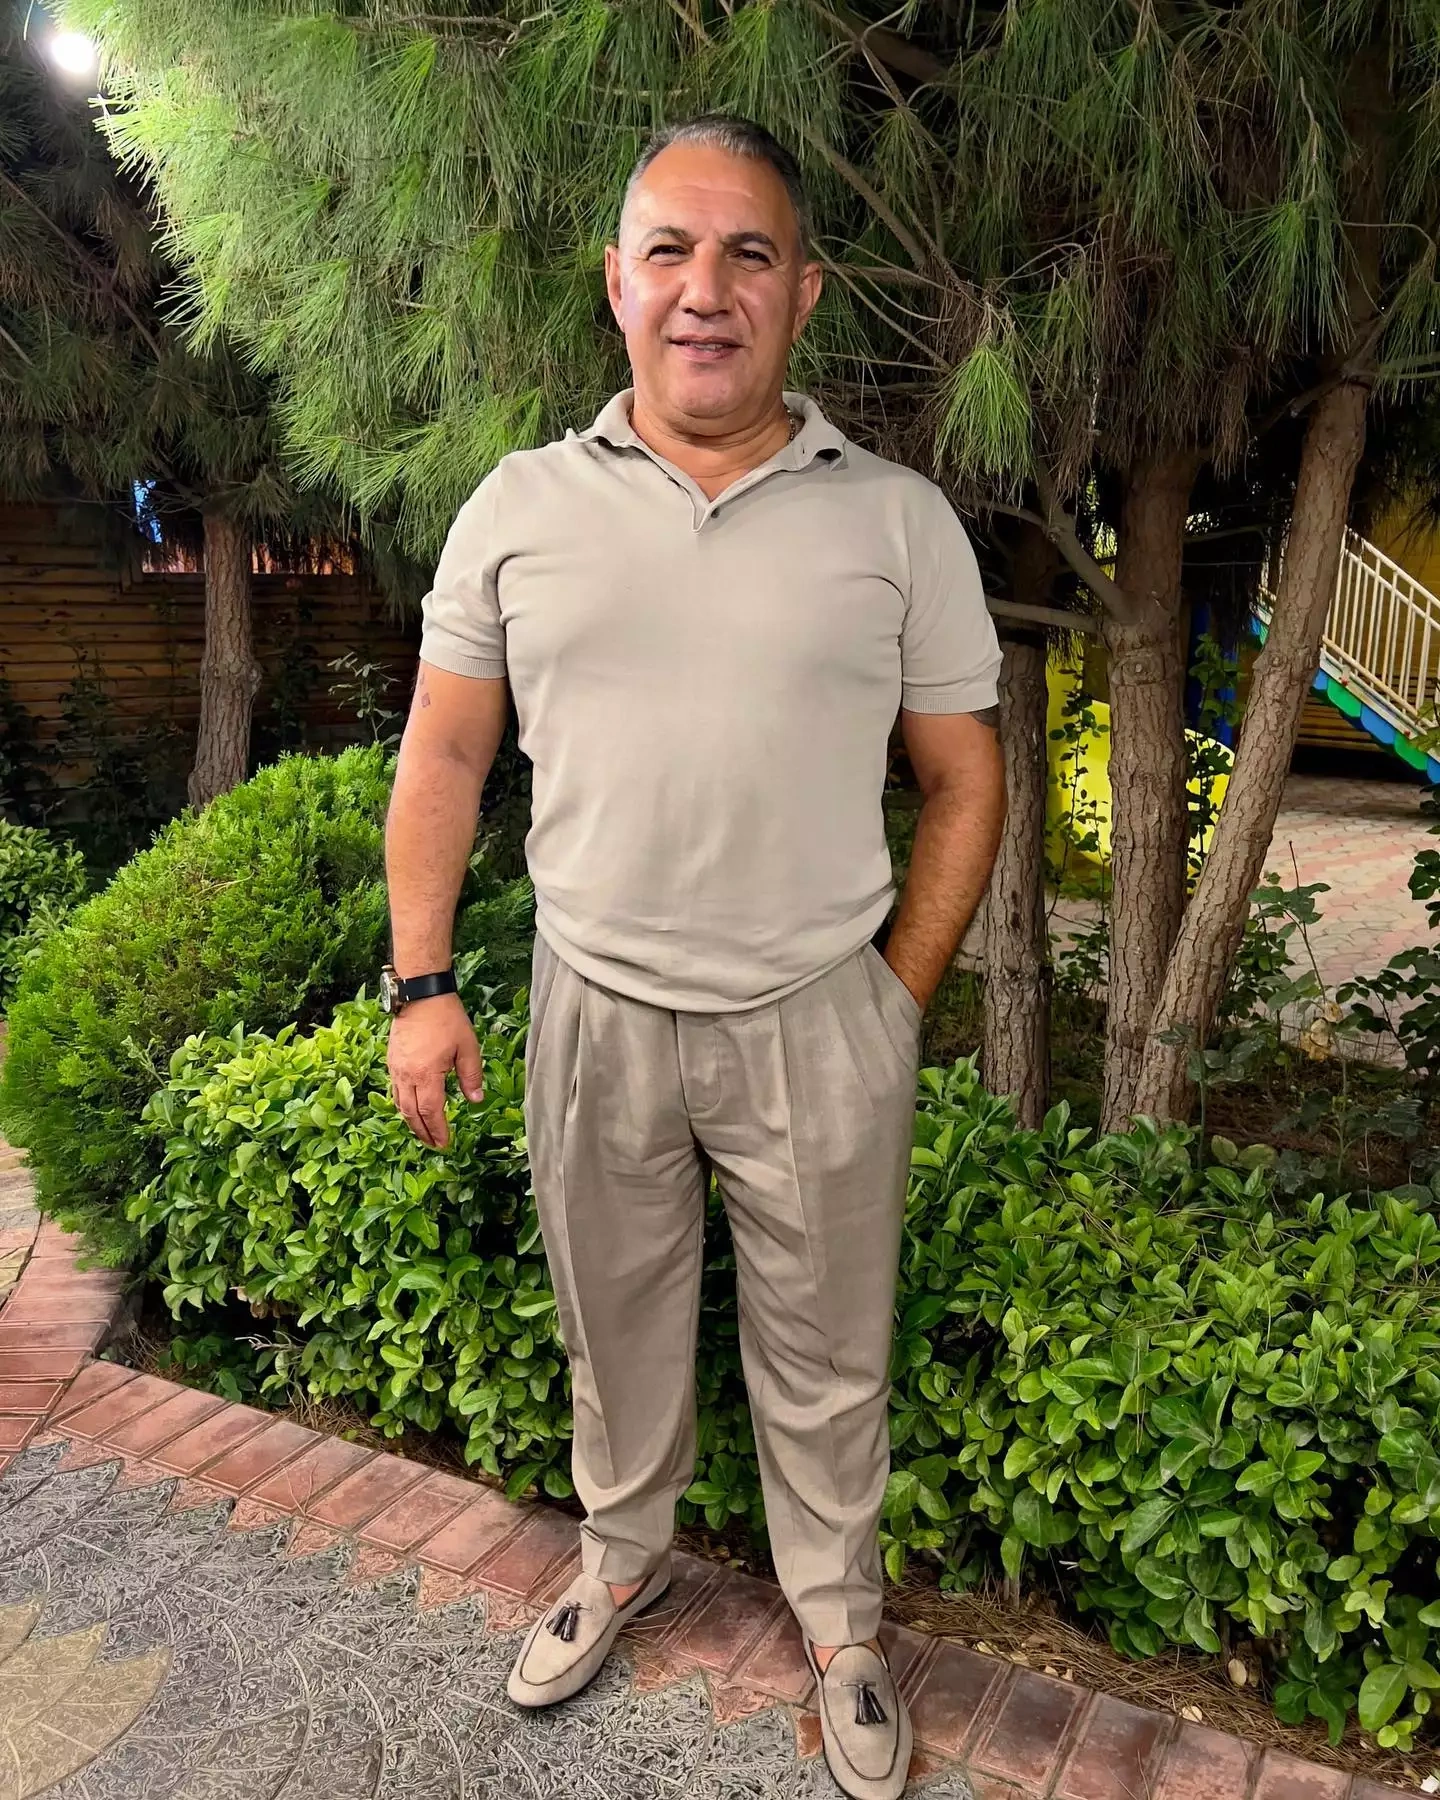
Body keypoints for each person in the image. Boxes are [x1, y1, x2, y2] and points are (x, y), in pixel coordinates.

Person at [383, 113, 1006, 1800]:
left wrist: (891, 1004)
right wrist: (423, 986)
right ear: (617, 283)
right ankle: (619, 1559)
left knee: (831, 1349)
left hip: (818, 1012)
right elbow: (444, 755)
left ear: (804, 291)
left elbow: (965, 784)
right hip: (593, 1005)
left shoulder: (897, 522)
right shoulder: (518, 507)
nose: (704, 290)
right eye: (669, 250)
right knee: (616, 1320)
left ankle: (842, 1624)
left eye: (747, 255)